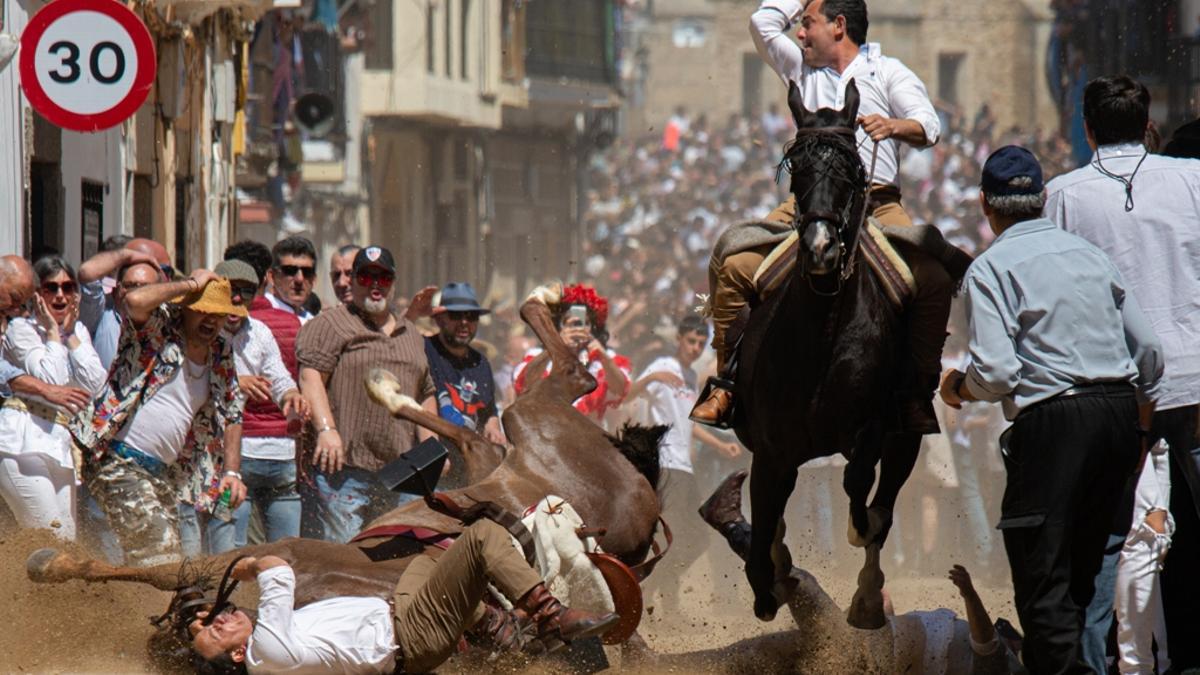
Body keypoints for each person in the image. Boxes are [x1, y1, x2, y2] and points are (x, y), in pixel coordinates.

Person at [938, 145, 1165, 673]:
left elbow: (995, 374)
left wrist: (958, 389)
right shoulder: (1090, 254)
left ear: (984, 205)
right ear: (1041, 200)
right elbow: (1150, 352)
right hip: (1117, 415)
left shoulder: (990, 269)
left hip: (1055, 424)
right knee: (1084, 581)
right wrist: (1141, 431)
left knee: (1045, 590)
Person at [692, 0, 951, 433]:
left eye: (807, 23)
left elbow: (929, 125)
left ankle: (915, 391)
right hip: (808, 206)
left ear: (839, 26)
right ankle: (727, 384)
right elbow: (763, 21)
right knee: (736, 265)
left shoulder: (887, 72)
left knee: (934, 280)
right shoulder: (800, 68)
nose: (798, 33)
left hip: (877, 205)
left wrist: (892, 125)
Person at [1043, 75, 1200, 672]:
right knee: (1191, 532)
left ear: (1085, 128)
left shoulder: (1063, 194)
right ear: (1147, 121)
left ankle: (1099, 660)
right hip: (1192, 382)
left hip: (1107, 391)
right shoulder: (1191, 179)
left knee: (1104, 536)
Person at [188, 518, 619, 673]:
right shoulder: (269, 652)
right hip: (410, 636)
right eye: (215, 631)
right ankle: (550, 613)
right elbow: (277, 569)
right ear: (240, 655)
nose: (220, 619)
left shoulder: (268, 650)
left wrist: (211, 618)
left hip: (401, 615)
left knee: (436, 555)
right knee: (482, 535)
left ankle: (497, 627)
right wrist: (247, 567)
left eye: (216, 618)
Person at [698, 471, 1020, 674]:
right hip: (856, 649)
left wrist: (970, 594)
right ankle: (659, 664)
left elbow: (986, 643)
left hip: (852, 653)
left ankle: (730, 524)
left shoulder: (1001, 664)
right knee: (752, 656)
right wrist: (888, 613)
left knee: (800, 585)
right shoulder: (961, 652)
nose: (1001, 628)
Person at [69, 271, 249, 567]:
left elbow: (233, 411)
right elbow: (135, 300)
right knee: (160, 556)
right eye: (202, 309)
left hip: (165, 474)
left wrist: (232, 472)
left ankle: (114, 604)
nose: (211, 320)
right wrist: (191, 285)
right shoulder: (159, 331)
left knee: (158, 561)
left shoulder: (220, 352)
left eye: (218, 314)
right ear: (185, 308)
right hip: (118, 459)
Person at [296, 245, 436, 543]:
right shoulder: (331, 324)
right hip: (344, 469)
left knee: (394, 556)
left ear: (393, 281)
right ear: (353, 280)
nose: (374, 284)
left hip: (401, 471)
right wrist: (326, 429)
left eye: (383, 277)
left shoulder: (410, 333)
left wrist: (432, 449)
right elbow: (310, 378)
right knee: (346, 555)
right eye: (365, 276)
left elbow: (424, 392)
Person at [626, 314, 741, 610]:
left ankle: (651, 586)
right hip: (664, 464)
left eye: (701, 343)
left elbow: (691, 424)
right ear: (679, 340)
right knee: (675, 534)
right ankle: (668, 606)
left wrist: (720, 444)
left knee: (699, 536)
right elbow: (626, 396)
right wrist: (651, 378)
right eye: (691, 341)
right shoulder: (662, 367)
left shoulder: (691, 377)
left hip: (684, 467)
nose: (695, 347)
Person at [0, 257, 106, 540]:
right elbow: (51, 381)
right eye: (52, 287)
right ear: (38, 294)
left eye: (68, 287)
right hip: (21, 441)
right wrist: (51, 333)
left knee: (67, 540)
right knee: (49, 536)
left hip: (58, 442)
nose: (60, 296)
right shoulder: (21, 329)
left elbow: (96, 384)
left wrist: (69, 335)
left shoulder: (78, 331)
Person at [209, 259, 309, 552]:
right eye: (231, 291)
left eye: (247, 292)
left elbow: (278, 376)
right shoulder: (206, 330)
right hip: (228, 458)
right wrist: (237, 382)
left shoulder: (260, 332)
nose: (238, 299)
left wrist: (290, 393)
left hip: (278, 458)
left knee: (287, 551)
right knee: (231, 549)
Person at [512, 284, 632, 426]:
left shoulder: (604, 358)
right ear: (558, 327)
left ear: (593, 328)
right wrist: (556, 345)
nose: (577, 329)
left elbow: (621, 390)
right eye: (569, 323)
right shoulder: (539, 355)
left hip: (589, 440)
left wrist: (603, 356)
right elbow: (525, 384)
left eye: (584, 323)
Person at [424, 282, 506, 445]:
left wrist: (494, 430)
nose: (464, 322)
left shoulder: (481, 363)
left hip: (470, 457)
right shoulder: (423, 349)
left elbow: (489, 413)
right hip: (432, 453)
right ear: (440, 320)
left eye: (471, 316)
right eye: (456, 315)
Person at [77, 243, 166, 369]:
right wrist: (126, 255)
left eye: (146, 288)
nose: (137, 293)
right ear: (116, 291)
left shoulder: (167, 325)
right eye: (130, 285)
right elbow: (87, 273)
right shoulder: (99, 318)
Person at [267, 236, 318, 324]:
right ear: (272, 277)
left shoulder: (316, 323)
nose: (299, 279)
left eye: (307, 272)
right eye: (290, 270)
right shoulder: (258, 319)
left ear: (314, 279)